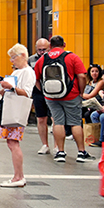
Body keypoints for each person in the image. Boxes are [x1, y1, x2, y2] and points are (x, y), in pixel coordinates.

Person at [33, 35, 90, 163]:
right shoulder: (72, 57)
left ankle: (60, 152)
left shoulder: (42, 59)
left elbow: (36, 79)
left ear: (50, 46)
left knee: (58, 122)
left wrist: (44, 92)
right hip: (72, 95)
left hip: (51, 96)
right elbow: (82, 76)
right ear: (64, 44)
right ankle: (81, 152)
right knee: (75, 122)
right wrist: (80, 91)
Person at [0, 44, 37, 188]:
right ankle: (17, 176)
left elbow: (26, 92)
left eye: (13, 57)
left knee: (13, 143)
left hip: (17, 110)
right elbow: (8, 91)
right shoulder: (16, 72)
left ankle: (18, 177)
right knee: (11, 142)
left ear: (22, 56)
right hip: (11, 108)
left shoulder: (27, 72)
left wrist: (11, 87)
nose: (11, 61)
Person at [29, 38, 54, 155]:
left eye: (44, 50)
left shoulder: (55, 58)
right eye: (39, 50)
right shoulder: (31, 60)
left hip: (54, 92)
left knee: (55, 118)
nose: (42, 52)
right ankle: (45, 144)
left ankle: (57, 145)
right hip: (38, 92)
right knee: (41, 118)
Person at [82, 64, 104, 149]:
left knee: (101, 117)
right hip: (98, 105)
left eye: (96, 71)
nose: (94, 73)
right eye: (92, 71)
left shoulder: (100, 82)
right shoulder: (89, 82)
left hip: (97, 104)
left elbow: (91, 95)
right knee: (93, 115)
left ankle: (101, 139)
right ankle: (96, 135)